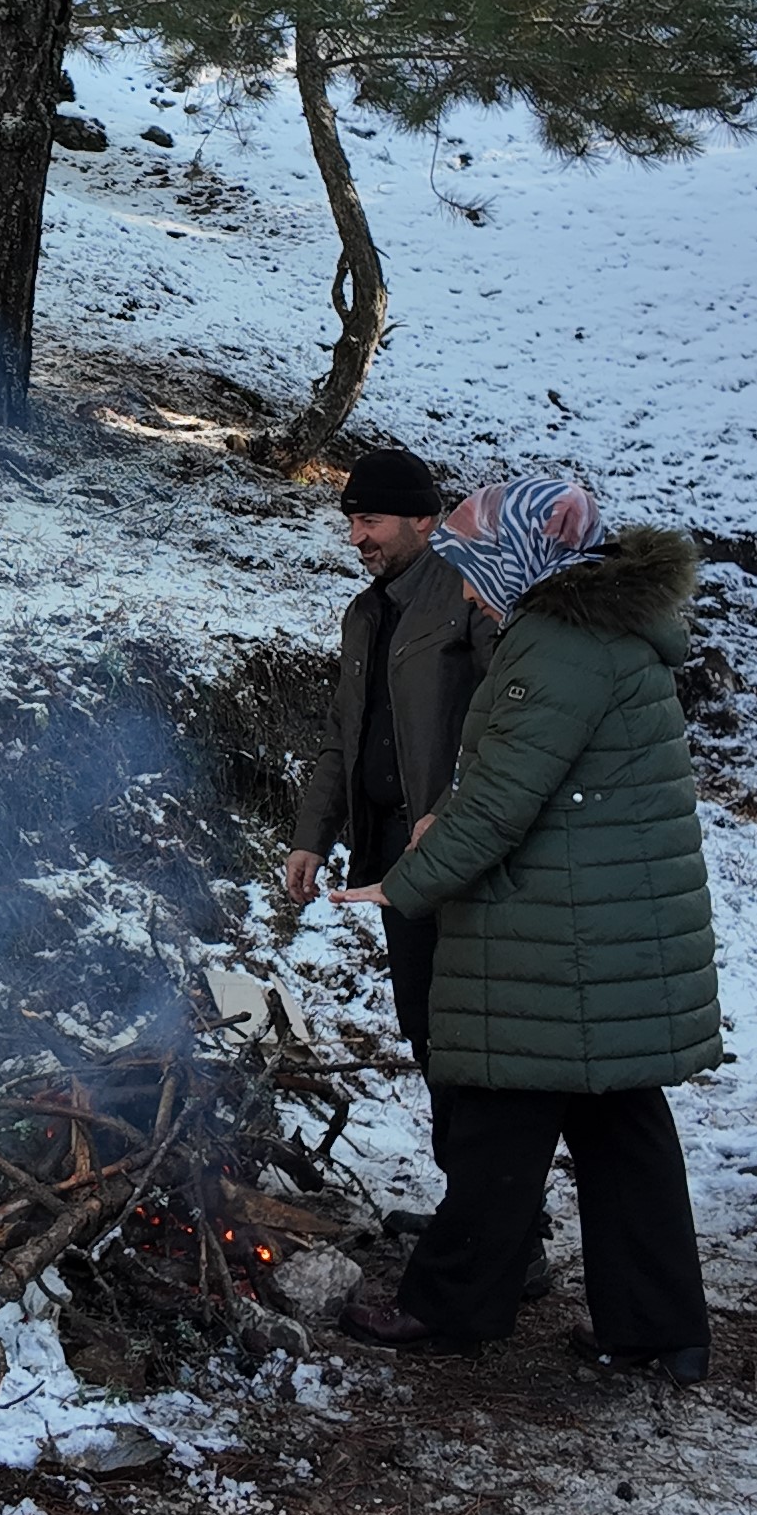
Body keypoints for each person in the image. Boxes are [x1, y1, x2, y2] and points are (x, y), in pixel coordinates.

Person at [327, 476, 719, 1380]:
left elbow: (503, 802)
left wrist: (403, 883)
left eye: (474, 570)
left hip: (562, 935)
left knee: (499, 1112)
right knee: (622, 1129)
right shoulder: (600, 633)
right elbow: (544, 781)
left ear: (521, 560)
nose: (465, 591)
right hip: (610, 925)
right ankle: (660, 1329)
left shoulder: (556, 643)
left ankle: (453, 1305)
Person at [283, 448, 497, 1068]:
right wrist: (312, 835)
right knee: (425, 1024)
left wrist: (454, 809)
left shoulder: (469, 598)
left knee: (467, 1027)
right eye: (351, 523)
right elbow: (342, 733)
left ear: (422, 520)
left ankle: (481, 1159)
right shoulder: (365, 613)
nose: (356, 538)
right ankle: (462, 1159)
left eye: (370, 521)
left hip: (454, 845)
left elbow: (509, 719)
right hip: (393, 854)